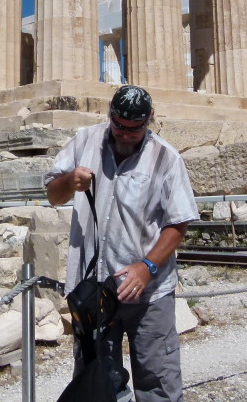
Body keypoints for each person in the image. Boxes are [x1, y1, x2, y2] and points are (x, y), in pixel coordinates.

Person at [45, 85, 199, 402]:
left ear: (149, 121)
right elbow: (52, 194)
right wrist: (70, 181)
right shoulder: (84, 141)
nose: (126, 135)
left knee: (158, 382)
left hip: (148, 292)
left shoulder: (166, 159)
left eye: (135, 129)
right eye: (119, 126)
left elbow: (178, 222)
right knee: (98, 384)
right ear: (110, 116)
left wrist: (147, 267)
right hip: (94, 292)